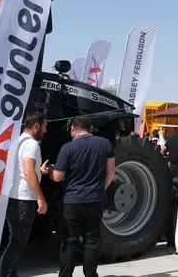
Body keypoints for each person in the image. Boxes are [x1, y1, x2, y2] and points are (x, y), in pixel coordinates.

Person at [50, 116, 116, 277]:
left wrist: (49, 171)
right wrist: (101, 189)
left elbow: (58, 177)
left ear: (73, 128)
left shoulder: (67, 148)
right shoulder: (105, 144)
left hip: (72, 201)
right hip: (95, 200)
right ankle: (91, 274)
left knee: (70, 240)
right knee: (92, 240)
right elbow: (111, 171)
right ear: (89, 128)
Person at [0, 112, 50, 277]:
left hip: (12, 197)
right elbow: (27, 171)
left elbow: (21, 168)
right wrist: (40, 198)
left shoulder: (17, 141)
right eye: (45, 127)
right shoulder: (31, 145)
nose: (45, 131)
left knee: (14, 239)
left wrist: (39, 171)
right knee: (17, 244)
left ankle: (11, 274)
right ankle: (0, 275)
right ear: (36, 126)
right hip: (23, 200)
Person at [160, 116, 178, 248]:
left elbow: (162, 152)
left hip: (172, 175)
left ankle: (170, 239)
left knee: (172, 208)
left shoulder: (171, 137)